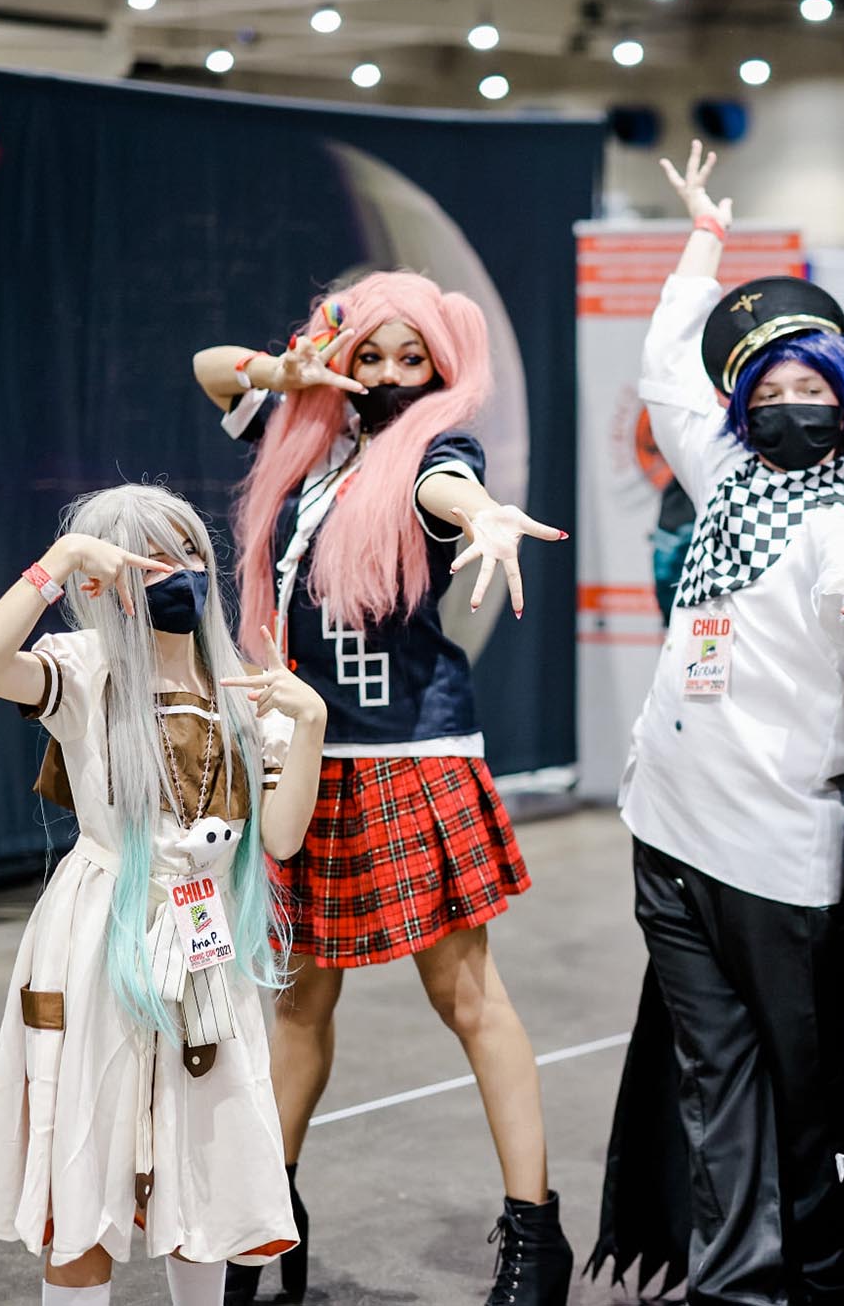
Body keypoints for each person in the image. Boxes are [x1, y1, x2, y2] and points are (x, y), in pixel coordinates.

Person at [593, 143, 844, 1306]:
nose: (789, 407)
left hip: (777, 863)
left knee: (807, 1099)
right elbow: (663, 371)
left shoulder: (835, 525)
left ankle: (814, 1275)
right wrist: (702, 238)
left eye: (815, 395)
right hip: (668, 835)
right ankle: (732, 1286)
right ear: (743, 403)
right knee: (714, 1085)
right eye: (771, 392)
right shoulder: (724, 479)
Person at [191, 271, 572, 1305]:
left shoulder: (436, 450)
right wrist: (293, 367)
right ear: (344, 356)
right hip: (306, 751)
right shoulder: (305, 445)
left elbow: (443, 487)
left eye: (416, 359)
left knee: (465, 994)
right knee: (300, 999)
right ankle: (268, 1218)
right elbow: (210, 368)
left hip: (410, 750)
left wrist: (485, 515)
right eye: (375, 355)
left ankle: (534, 1237)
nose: (394, 376)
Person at [0, 484, 325, 1306]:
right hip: (102, 935)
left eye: (191, 552)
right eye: (151, 558)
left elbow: (283, 838)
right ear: (103, 578)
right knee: (84, 1168)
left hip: (208, 945)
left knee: (204, 1172)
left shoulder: (237, 681)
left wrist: (311, 726)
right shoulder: (86, 672)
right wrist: (53, 568)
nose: (181, 574)